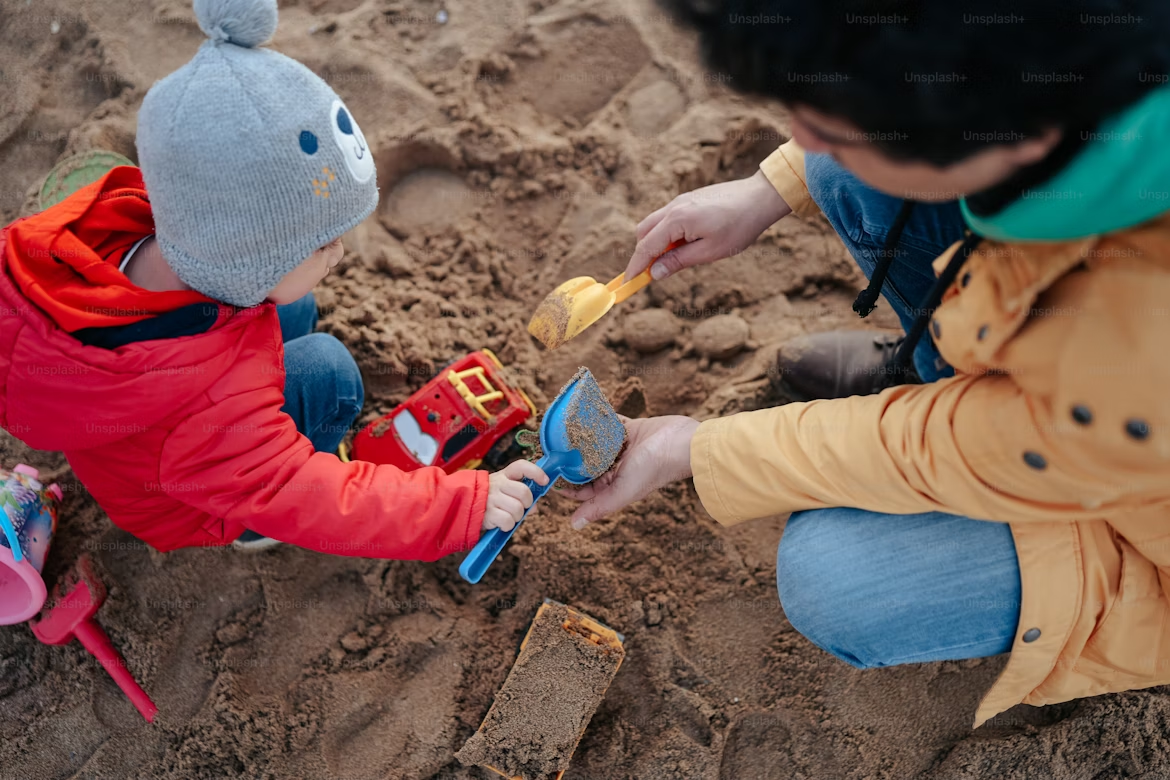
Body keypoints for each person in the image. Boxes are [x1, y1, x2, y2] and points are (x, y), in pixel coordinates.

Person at [568, 0, 1170, 727]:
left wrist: (693, 447)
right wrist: (767, 191)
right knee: (843, 167)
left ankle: (954, 384)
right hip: (1070, 408)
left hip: (1135, 517)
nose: (799, 131)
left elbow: (938, 447)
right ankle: (944, 364)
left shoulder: (1133, 338)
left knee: (837, 579)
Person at [0, 0, 546, 559]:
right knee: (330, 372)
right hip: (192, 499)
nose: (338, 253)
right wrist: (463, 505)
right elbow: (319, 499)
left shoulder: (120, 229)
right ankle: (253, 531)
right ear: (249, 256)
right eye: (322, 243)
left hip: (133, 420)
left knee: (294, 305)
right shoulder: (211, 414)